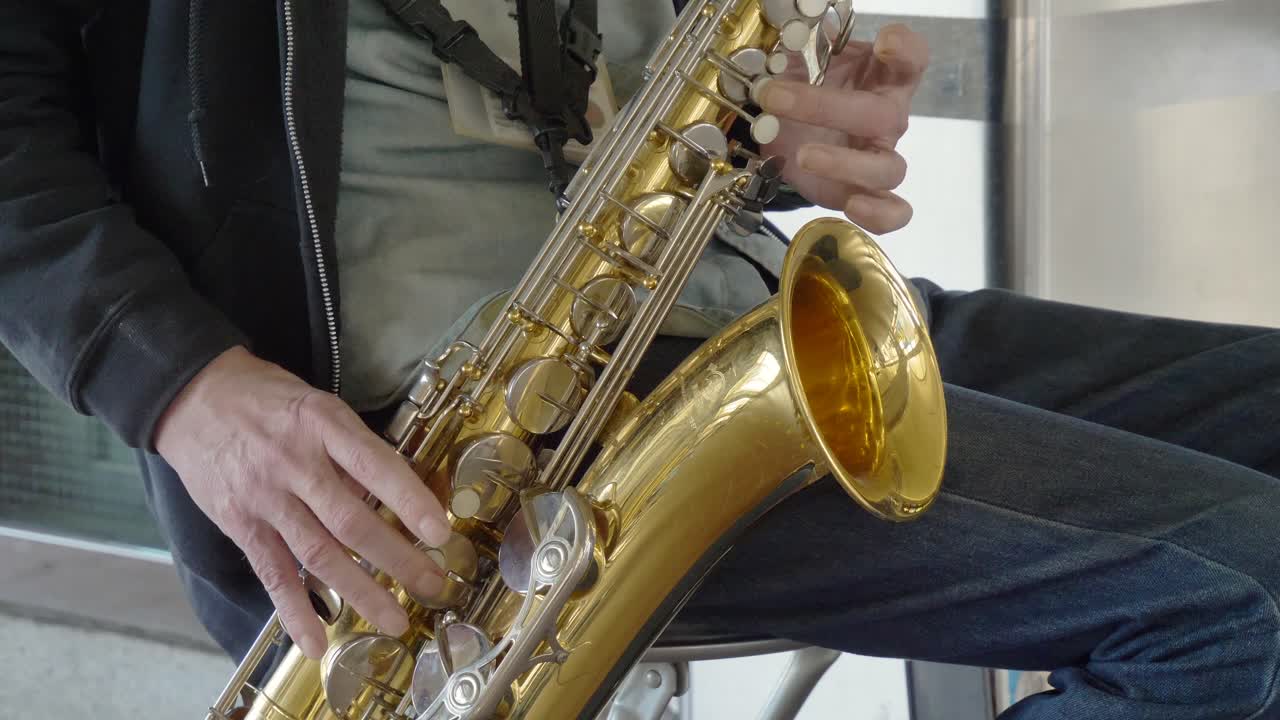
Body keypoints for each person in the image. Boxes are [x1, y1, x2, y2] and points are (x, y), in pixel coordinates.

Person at [1, 2, 1277, 718]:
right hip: (436, 452)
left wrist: (777, 121)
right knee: (1244, 599)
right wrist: (176, 385)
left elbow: (617, 96)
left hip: (718, 310)